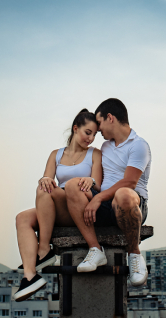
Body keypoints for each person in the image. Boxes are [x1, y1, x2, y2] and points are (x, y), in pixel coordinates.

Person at [13, 109, 103, 302]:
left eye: (95, 134)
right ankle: (30, 277)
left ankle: (44, 249)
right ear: (75, 128)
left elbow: (99, 183)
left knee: (46, 189)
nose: (91, 138)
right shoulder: (56, 154)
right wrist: (44, 178)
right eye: (88, 132)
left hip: (79, 206)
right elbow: (47, 178)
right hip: (57, 208)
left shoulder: (95, 154)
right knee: (23, 217)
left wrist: (90, 180)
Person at [64, 98, 151, 286]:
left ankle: (134, 254)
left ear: (110, 118)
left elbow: (130, 181)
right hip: (105, 206)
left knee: (123, 194)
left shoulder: (139, 145)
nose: (98, 130)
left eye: (100, 122)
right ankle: (95, 250)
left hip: (131, 205)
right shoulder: (105, 147)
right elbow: (98, 180)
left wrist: (99, 198)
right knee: (72, 185)